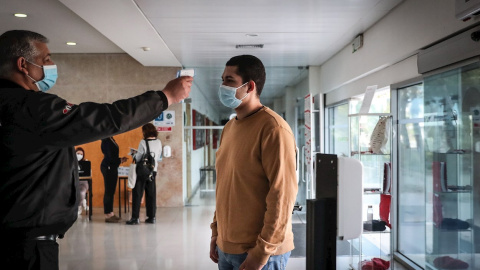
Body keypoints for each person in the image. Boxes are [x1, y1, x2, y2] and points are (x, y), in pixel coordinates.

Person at [0, 30, 192, 270]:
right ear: (23, 65)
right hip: (26, 248)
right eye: (46, 59)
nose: (52, 65)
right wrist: (164, 97)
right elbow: (105, 118)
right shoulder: (31, 109)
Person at [209, 55, 298, 270]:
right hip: (226, 247)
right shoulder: (230, 128)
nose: (223, 86)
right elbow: (225, 185)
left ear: (249, 86)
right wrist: (216, 232)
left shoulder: (274, 129)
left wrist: (261, 253)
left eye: (229, 80)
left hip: (259, 253)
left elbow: (282, 197)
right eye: (222, 80)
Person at [126, 123, 162, 225]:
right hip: (153, 170)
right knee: (151, 194)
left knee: (137, 193)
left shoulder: (143, 142)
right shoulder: (158, 142)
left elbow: (138, 158)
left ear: (145, 132)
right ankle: (151, 217)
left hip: (142, 171)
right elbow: (158, 155)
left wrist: (134, 154)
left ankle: (135, 218)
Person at [101, 137, 128, 223]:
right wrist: (119, 160)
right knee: (109, 190)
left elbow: (112, 156)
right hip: (108, 167)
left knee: (111, 191)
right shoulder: (107, 141)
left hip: (112, 167)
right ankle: (107, 214)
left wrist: (120, 160)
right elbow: (110, 158)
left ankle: (111, 213)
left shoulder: (110, 139)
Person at [75, 147, 90, 216]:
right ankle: (83, 200)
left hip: (83, 183)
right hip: (73, 183)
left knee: (81, 193)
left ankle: (79, 207)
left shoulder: (86, 163)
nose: (79, 155)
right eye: (78, 153)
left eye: (81, 154)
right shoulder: (71, 162)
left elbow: (89, 174)